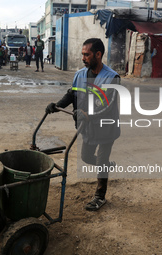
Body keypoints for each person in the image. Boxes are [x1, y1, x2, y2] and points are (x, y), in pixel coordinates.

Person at [45, 38, 121, 211]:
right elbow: (71, 95)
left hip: (106, 126)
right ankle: (107, 165)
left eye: (87, 55)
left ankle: (100, 197)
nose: (83, 58)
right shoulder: (80, 75)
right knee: (86, 157)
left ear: (98, 54)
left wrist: (87, 114)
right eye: (82, 54)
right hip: (86, 126)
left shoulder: (112, 77)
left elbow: (108, 106)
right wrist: (56, 106)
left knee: (101, 159)